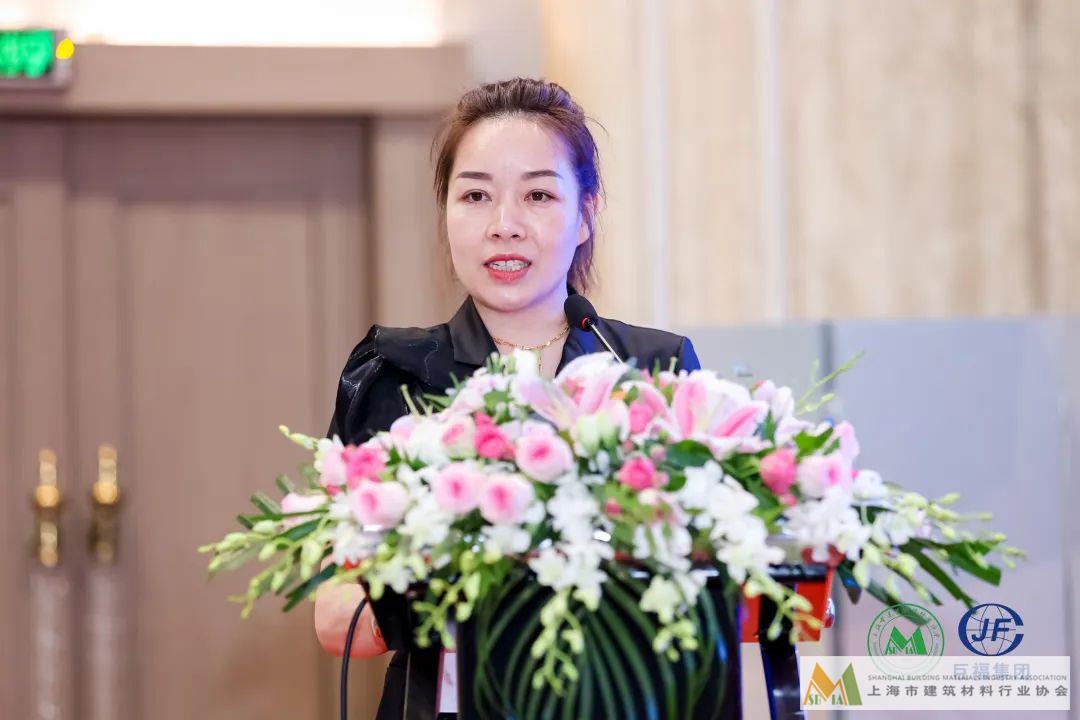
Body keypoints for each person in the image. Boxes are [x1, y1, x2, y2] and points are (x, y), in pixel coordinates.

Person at [313, 77, 700, 719]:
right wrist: (442, 589)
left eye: (538, 195)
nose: (504, 226)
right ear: (446, 214)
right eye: (475, 195)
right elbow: (334, 618)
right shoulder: (392, 375)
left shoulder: (650, 370)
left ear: (585, 214)